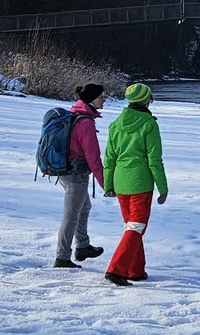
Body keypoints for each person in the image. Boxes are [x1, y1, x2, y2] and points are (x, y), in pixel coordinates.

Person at [101, 81, 168, 286]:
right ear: (147, 101)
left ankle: (135, 271)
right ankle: (116, 269)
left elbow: (109, 158)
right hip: (141, 183)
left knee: (132, 226)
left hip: (121, 182)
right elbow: (154, 159)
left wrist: (108, 184)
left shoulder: (115, 125)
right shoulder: (149, 124)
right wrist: (163, 187)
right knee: (136, 227)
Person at [52, 83, 109, 267]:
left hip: (66, 171)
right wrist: (105, 184)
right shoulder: (85, 123)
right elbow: (93, 158)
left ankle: (83, 247)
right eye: (101, 96)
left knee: (84, 208)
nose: (104, 100)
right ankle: (62, 258)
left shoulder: (75, 113)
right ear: (92, 99)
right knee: (71, 215)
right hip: (76, 174)